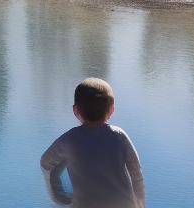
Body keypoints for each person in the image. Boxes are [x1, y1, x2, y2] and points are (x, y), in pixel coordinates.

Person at [40, 78, 145, 208]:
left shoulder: (69, 139)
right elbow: (136, 173)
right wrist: (140, 204)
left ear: (76, 111)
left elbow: (45, 162)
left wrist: (59, 196)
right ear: (112, 110)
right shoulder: (119, 136)